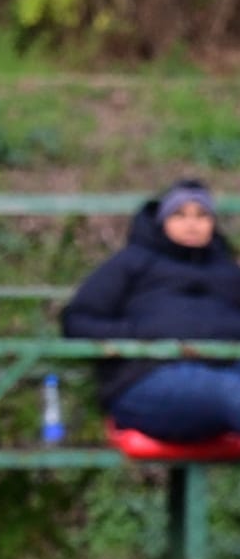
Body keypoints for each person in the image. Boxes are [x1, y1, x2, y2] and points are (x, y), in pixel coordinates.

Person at [61, 179, 240, 440]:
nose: (192, 224)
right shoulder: (131, 263)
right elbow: (78, 322)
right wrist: (141, 333)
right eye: (179, 215)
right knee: (230, 391)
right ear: (162, 220)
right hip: (147, 379)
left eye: (202, 215)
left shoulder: (228, 271)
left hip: (225, 371)